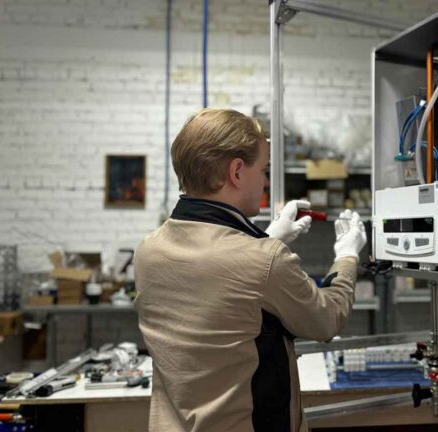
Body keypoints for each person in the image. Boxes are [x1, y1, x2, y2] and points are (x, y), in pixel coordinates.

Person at [133, 108, 367, 431]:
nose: (266, 181)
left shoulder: (148, 250)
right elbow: (326, 320)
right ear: (237, 172)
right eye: (263, 169)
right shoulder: (264, 260)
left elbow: (221, 288)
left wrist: (266, 237)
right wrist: (347, 255)